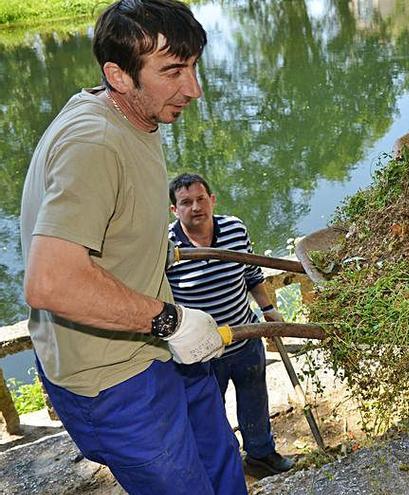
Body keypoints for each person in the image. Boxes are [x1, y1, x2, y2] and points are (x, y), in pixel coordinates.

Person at [19, 1, 247, 493]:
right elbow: (50, 282)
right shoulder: (94, 144)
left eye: (192, 66)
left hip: (159, 348)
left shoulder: (137, 112)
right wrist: (171, 320)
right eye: (173, 71)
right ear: (118, 76)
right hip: (113, 377)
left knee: (223, 466)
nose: (194, 89)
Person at [166, 173, 295, 477]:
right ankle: (222, 468)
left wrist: (268, 309)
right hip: (202, 352)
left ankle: (261, 456)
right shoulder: (166, 247)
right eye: (186, 202)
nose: (195, 207)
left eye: (200, 199)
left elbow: (251, 275)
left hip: (245, 337)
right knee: (208, 413)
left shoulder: (234, 229)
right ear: (174, 210)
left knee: (255, 398)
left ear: (212, 200)